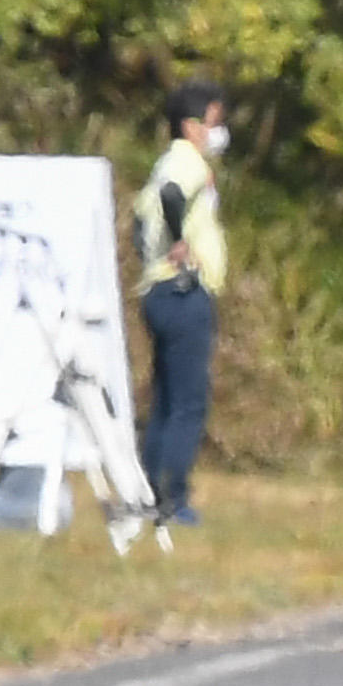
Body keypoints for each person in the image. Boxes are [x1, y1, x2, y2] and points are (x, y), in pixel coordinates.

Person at [133, 79, 232, 525]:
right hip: (183, 291)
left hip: (158, 290)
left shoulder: (162, 163)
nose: (219, 130)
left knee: (167, 400)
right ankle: (174, 499)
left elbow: (138, 220)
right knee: (188, 402)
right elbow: (173, 196)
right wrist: (178, 243)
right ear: (192, 126)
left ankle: (150, 489)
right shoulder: (185, 162)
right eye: (214, 121)